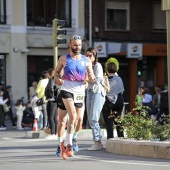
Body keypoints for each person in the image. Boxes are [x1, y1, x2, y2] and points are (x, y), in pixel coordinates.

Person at [54, 35, 95, 159]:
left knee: (79, 120)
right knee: (69, 118)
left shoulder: (86, 60)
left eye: (79, 45)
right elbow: (56, 73)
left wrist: (90, 79)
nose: (77, 47)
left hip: (79, 92)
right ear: (70, 45)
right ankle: (66, 144)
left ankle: (71, 139)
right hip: (66, 90)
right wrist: (57, 80)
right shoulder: (63, 59)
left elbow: (90, 75)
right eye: (75, 45)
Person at [85, 47, 106, 151]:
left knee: (93, 118)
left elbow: (96, 80)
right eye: (86, 55)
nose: (88, 57)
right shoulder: (85, 66)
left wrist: (86, 79)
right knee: (90, 119)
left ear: (94, 56)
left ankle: (97, 142)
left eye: (90, 55)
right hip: (89, 92)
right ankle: (98, 142)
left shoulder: (97, 66)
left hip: (97, 92)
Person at [102, 61, 125, 140]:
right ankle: (121, 139)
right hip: (118, 100)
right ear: (116, 70)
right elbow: (121, 91)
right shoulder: (119, 79)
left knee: (109, 122)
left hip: (107, 101)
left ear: (107, 70)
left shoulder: (104, 79)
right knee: (118, 121)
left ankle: (110, 140)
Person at [46, 68, 59, 139]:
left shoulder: (51, 80)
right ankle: (56, 132)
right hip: (55, 100)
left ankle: (53, 133)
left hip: (51, 100)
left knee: (50, 117)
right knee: (54, 117)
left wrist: (49, 95)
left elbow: (50, 89)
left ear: (49, 73)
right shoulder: (56, 80)